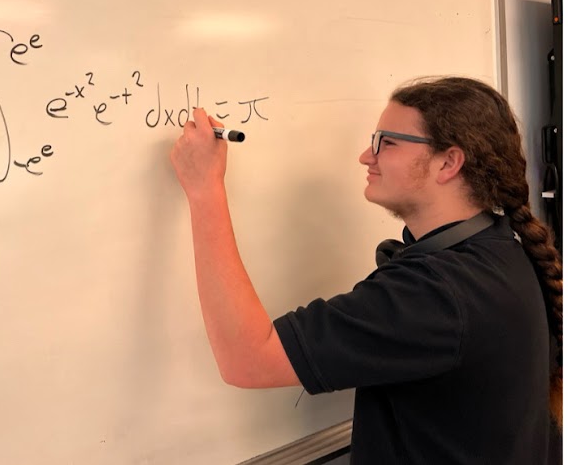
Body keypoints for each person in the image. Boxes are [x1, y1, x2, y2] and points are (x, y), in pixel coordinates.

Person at [170, 77, 562, 464]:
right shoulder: (498, 248)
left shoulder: (437, 292)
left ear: (449, 162)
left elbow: (248, 359)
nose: (365, 156)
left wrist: (205, 189)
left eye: (386, 142)